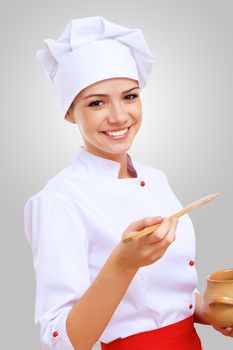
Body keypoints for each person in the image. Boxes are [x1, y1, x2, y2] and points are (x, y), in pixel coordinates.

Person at [24, 16, 233, 350]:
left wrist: (206, 309)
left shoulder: (154, 178)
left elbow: (155, 296)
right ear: (69, 111)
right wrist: (124, 262)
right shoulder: (58, 200)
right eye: (97, 102)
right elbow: (61, 339)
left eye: (130, 96)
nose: (119, 116)